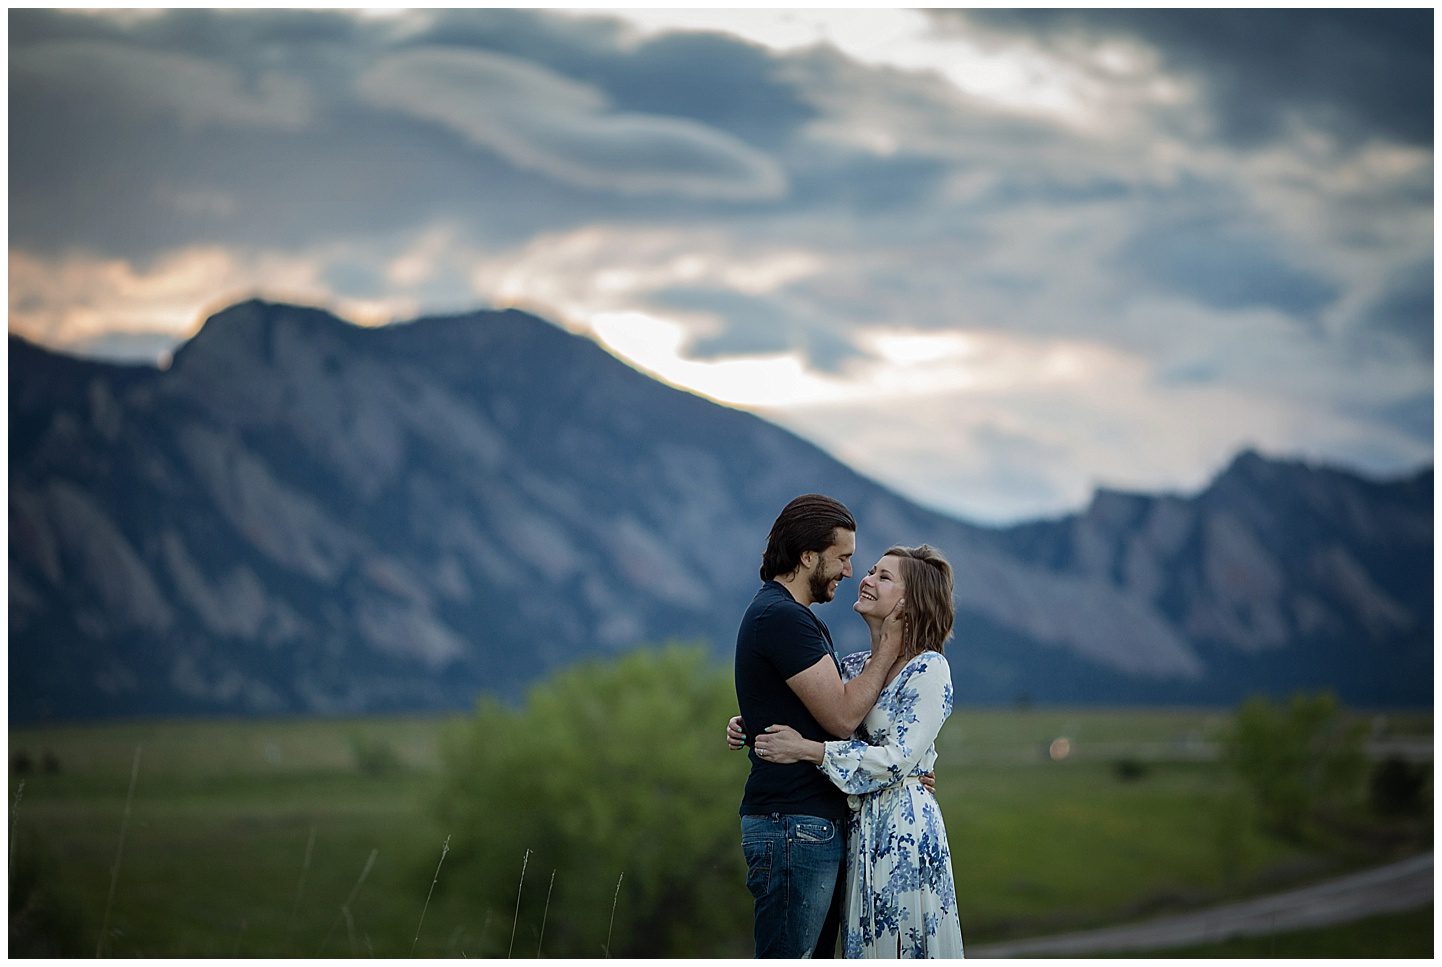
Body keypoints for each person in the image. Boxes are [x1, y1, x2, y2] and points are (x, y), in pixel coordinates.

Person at [733, 544, 965, 958]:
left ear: (909, 603)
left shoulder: (929, 669)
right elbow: (814, 707)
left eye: (884, 577)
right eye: (872, 570)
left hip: (902, 829)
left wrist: (811, 751)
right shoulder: (855, 668)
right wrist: (749, 722)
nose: (865, 578)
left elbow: (896, 760)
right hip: (857, 830)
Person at [733, 494, 907, 958]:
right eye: (843, 558)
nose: (850, 572)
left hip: (803, 824)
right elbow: (843, 716)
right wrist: (889, 647)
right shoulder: (783, 618)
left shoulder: (786, 616)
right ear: (808, 556)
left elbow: (800, 709)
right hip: (794, 824)